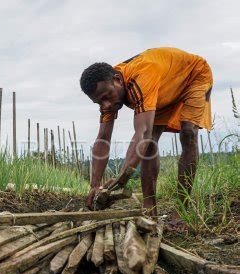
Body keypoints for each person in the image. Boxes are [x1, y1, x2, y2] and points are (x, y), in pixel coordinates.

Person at [80, 47, 213, 228]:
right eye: (99, 102)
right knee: (149, 146)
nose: (106, 105)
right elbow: (103, 138)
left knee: (188, 133)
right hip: (163, 87)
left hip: (193, 76)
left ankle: (182, 210)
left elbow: (142, 132)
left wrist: (122, 178)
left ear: (118, 80)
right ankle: (150, 208)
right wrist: (95, 185)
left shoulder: (140, 79)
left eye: (106, 97)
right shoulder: (106, 94)